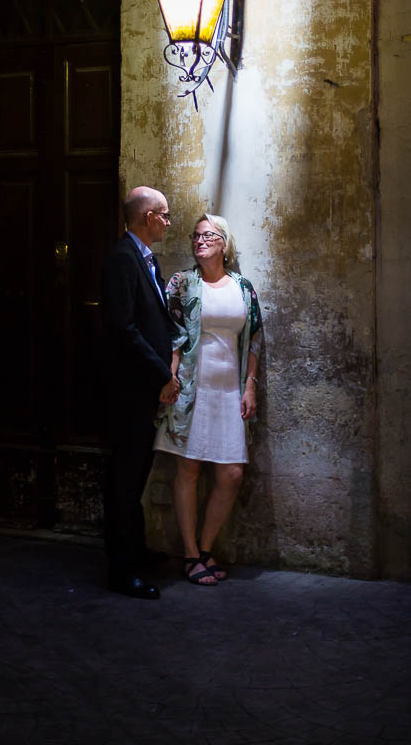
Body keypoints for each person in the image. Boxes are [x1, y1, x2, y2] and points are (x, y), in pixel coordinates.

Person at [154, 213, 263, 586]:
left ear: (224, 243)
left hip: (228, 391)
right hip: (190, 391)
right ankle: (190, 554)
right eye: (195, 236)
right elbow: (169, 333)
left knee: (231, 473)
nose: (199, 241)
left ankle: (204, 547)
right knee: (188, 470)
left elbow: (256, 338)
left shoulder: (243, 288)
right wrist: (169, 376)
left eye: (208, 235)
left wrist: (250, 384)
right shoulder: (181, 284)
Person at [100, 186, 180, 599]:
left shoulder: (147, 260)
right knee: (124, 481)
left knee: (135, 478)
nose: (168, 222)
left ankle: (135, 550)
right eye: (164, 215)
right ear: (147, 217)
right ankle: (122, 569)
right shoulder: (122, 260)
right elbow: (123, 329)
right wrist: (159, 375)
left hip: (144, 389)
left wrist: (170, 365)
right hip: (128, 392)